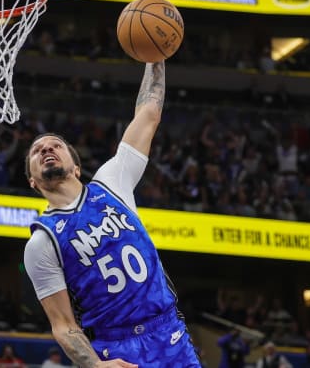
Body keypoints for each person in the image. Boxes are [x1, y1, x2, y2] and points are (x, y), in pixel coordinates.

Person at [23, 61, 200, 367]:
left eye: (56, 145)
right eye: (37, 151)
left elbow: (148, 114)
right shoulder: (42, 243)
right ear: (32, 181)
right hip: (114, 347)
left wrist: (154, 58)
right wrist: (95, 365)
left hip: (168, 332)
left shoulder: (111, 181)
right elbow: (63, 325)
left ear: (76, 167)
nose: (46, 149)